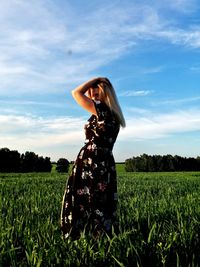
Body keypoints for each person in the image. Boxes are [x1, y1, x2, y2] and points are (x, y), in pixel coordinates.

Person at [60, 77, 125, 240]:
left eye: (96, 91)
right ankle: (99, 237)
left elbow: (75, 93)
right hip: (105, 162)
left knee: (84, 199)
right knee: (100, 200)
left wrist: (95, 79)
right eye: (90, 92)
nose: (91, 94)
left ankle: (78, 237)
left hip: (92, 160)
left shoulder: (101, 109)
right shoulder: (114, 114)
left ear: (106, 93)